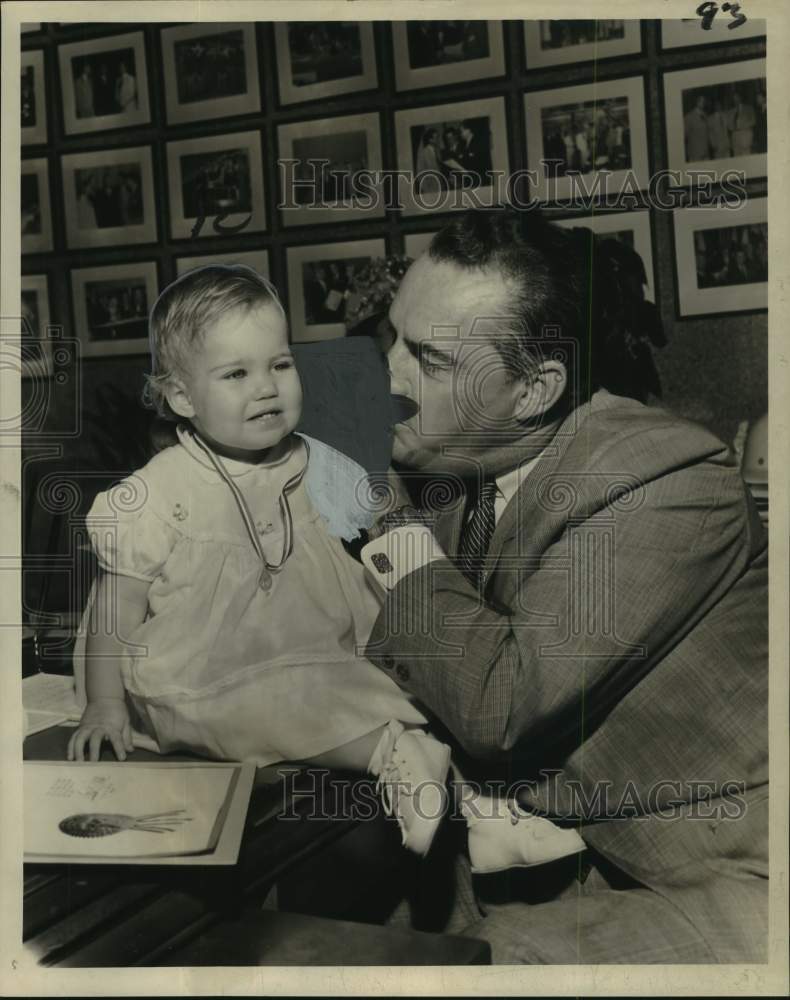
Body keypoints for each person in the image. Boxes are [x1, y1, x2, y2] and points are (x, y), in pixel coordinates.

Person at [67, 264, 582, 874]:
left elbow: (396, 547)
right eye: (236, 374)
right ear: (182, 397)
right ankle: (395, 755)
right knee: (254, 701)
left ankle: (480, 809)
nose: (266, 387)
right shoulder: (157, 494)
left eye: (279, 365)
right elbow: (111, 611)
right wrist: (103, 703)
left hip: (316, 646)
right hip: (202, 669)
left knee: (393, 682)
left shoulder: (325, 463)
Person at [360, 208, 767, 963]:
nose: (388, 374)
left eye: (430, 359)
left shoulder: (664, 477)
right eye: (392, 336)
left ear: (534, 389)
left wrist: (382, 522)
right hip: (536, 854)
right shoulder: (454, 464)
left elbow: (500, 703)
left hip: (697, 870)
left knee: (484, 964)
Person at [729, 89, 756, 155]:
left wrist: (743, 125)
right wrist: (732, 127)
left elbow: (753, 121)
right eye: (734, 98)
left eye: (737, 97)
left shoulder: (748, 108)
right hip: (735, 139)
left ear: (740, 98)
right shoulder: (731, 111)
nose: (735, 100)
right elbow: (729, 125)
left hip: (745, 138)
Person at [684, 93, 710, 161]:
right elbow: (685, 135)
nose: (702, 103)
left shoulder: (705, 115)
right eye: (700, 100)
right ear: (696, 102)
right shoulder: (689, 117)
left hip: (705, 152)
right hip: (695, 153)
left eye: (704, 101)